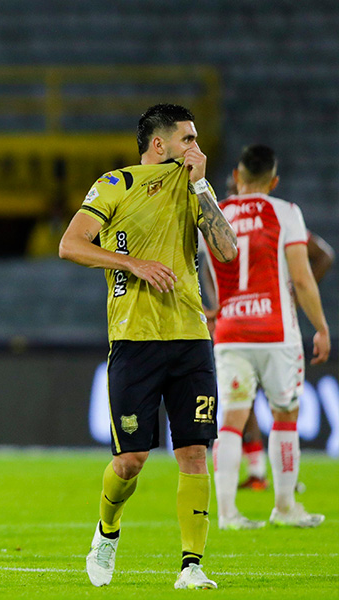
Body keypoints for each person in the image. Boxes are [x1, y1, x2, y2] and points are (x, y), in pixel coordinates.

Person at [59, 104, 237, 590]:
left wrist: (202, 185)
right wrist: (132, 263)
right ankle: (107, 530)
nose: (197, 149)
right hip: (134, 340)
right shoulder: (117, 184)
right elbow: (70, 245)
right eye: (188, 140)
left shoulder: (194, 187)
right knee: (130, 461)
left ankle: (192, 564)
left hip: (190, 336)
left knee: (195, 453)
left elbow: (227, 252)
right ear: (159, 145)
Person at [207, 145, 330, 530]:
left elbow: (197, 271)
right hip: (276, 331)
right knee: (285, 415)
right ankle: (285, 505)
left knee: (231, 419)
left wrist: (212, 310)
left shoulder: (215, 213)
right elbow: (302, 277)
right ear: (274, 181)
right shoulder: (284, 212)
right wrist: (322, 327)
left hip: (230, 330)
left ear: (237, 177)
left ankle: (227, 513)